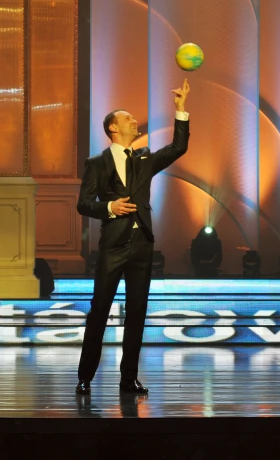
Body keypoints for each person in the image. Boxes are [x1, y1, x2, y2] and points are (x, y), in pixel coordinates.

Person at [75, 79, 191, 395]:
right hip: (113, 245)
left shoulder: (144, 158)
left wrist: (180, 110)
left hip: (141, 245)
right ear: (113, 128)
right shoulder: (97, 164)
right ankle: (85, 377)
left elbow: (178, 148)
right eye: (127, 118)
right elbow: (83, 204)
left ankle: (129, 379)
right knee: (99, 310)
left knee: (137, 312)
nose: (133, 121)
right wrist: (110, 206)